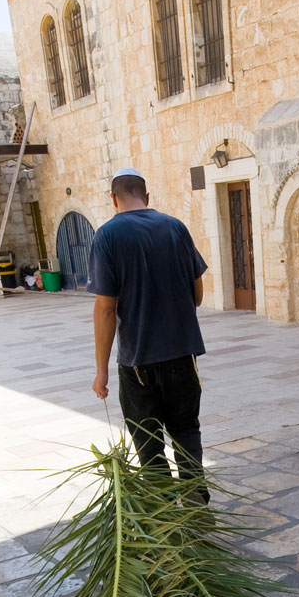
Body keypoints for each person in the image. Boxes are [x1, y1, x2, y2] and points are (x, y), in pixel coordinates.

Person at [89, 166, 209, 499]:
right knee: (186, 432)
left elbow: (106, 309)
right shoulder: (175, 228)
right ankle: (196, 504)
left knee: (148, 443)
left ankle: (164, 516)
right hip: (182, 356)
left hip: (138, 363)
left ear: (114, 199)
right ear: (147, 196)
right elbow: (197, 294)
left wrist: (101, 372)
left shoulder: (107, 236)